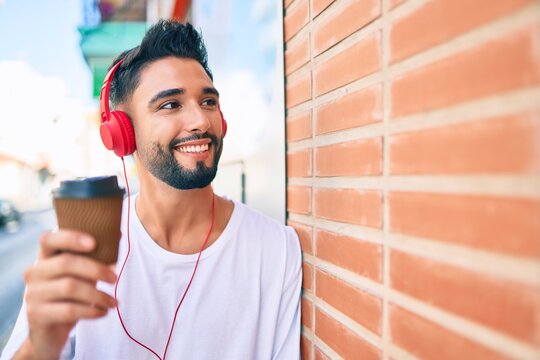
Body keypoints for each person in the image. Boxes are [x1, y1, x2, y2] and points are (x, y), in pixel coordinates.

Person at [2, 20, 302, 360]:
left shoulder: (277, 249)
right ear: (122, 134)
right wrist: (42, 344)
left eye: (208, 102)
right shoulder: (80, 248)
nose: (201, 121)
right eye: (171, 105)